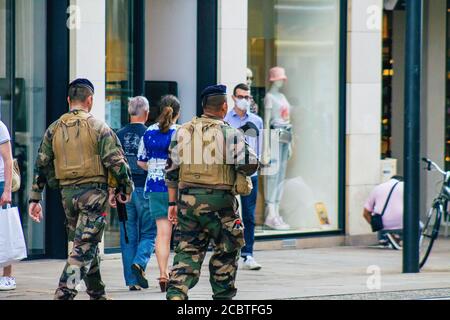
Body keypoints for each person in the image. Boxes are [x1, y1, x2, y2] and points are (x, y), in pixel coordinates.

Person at [28, 78, 134, 300]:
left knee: (86, 244)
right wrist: (125, 188)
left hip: (67, 197)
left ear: (69, 100)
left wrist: (35, 198)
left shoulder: (53, 129)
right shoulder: (99, 127)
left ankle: (98, 294)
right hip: (94, 195)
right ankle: (65, 292)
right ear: (90, 100)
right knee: (83, 248)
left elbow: (42, 164)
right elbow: (116, 162)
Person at [165, 84, 259, 300]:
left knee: (187, 251)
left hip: (187, 202)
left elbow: (170, 171)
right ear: (224, 106)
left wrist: (172, 204)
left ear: (204, 106)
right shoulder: (230, 133)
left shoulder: (183, 131)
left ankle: (177, 294)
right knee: (227, 251)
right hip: (221, 205)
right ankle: (223, 297)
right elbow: (251, 164)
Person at [137, 95, 181, 292]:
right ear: (177, 113)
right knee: (182, 233)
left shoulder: (148, 132)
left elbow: (141, 161)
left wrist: (155, 169)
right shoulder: (181, 133)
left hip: (155, 187)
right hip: (178, 188)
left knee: (162, 234)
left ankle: (163, 274)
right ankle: (178, 272)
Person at [116, 96, 156, 291]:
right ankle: (139, 262)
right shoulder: (151, 134)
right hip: (146, 189)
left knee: (127, 235)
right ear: (146, 113)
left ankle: (132, 281)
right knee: (150, 231)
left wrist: (112, 190)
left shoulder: (118, 135)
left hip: (123, 191)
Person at [224, 83, 263, 271]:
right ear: (233, 98)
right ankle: (228, 251)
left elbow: (260, 146)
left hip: (250, 173)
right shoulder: (225, 120)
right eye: (241, 96)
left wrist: (259, 164)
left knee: (248, 214)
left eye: (247, 97)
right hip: (229, 173)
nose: (244, 100)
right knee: (227, 213)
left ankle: (249, 254)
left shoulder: (256, 120)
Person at [363, 176, 404, 250]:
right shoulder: (405, 186)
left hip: (383, 226)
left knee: (380, 221)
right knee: (420, 227)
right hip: (403, 224)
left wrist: (376, 225)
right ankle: (402, 238)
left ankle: (385, 238)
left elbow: (365, 213)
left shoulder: (378, 188)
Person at [0, 121, 15, 291]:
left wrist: (7, 190)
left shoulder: (0, 127)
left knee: (4, 230)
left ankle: (7, 276)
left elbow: (8, 160)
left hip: (0, 183)